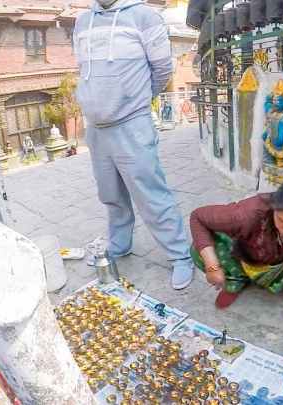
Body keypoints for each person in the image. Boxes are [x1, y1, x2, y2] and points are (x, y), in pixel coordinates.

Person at [73, 0, 194, 289]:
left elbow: (163, 68)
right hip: (96, 129)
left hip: (131, 124)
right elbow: (82, 68)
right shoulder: (81, 22)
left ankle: (180, 257)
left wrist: (136, 100)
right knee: (110, 194)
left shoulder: (144, 16)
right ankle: (119, 243)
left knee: (151, 195)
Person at [189, 175, 283, 315]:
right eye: (281, 220)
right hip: (245, 260)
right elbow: (198, 218)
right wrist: (212, 266)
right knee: (199, 247)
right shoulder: (250, 211)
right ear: (274, 207)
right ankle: (235, 279)